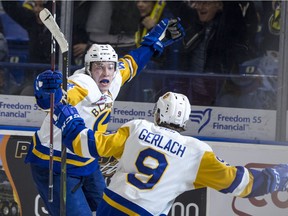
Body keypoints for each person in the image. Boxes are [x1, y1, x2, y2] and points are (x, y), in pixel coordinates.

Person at [24, 18, 185, 216]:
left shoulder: (114, 78)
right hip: (55, 162)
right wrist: (47, 92)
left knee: (112, 210)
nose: (106, 72)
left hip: (86, 162)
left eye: (110, 66)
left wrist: (152, 44)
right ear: (89, 68)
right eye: (99, 67)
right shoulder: (82, 83)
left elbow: (132, 62)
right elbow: (60, 98)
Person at [52, 91, 288, 215]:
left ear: (157, 114)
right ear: (186, 120)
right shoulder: (196, 152)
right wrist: (280, 175)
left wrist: (70, 120)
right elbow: (241, 184)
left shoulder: (137, 128)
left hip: (110, 205)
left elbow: (91, 146)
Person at [175, 1, 257, 106]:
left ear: (219, 5)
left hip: (219, 96)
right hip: (193, 94)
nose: (201, 7)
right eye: (198, 3)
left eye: (206, 3)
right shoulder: (193, 25)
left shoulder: (227, 28)